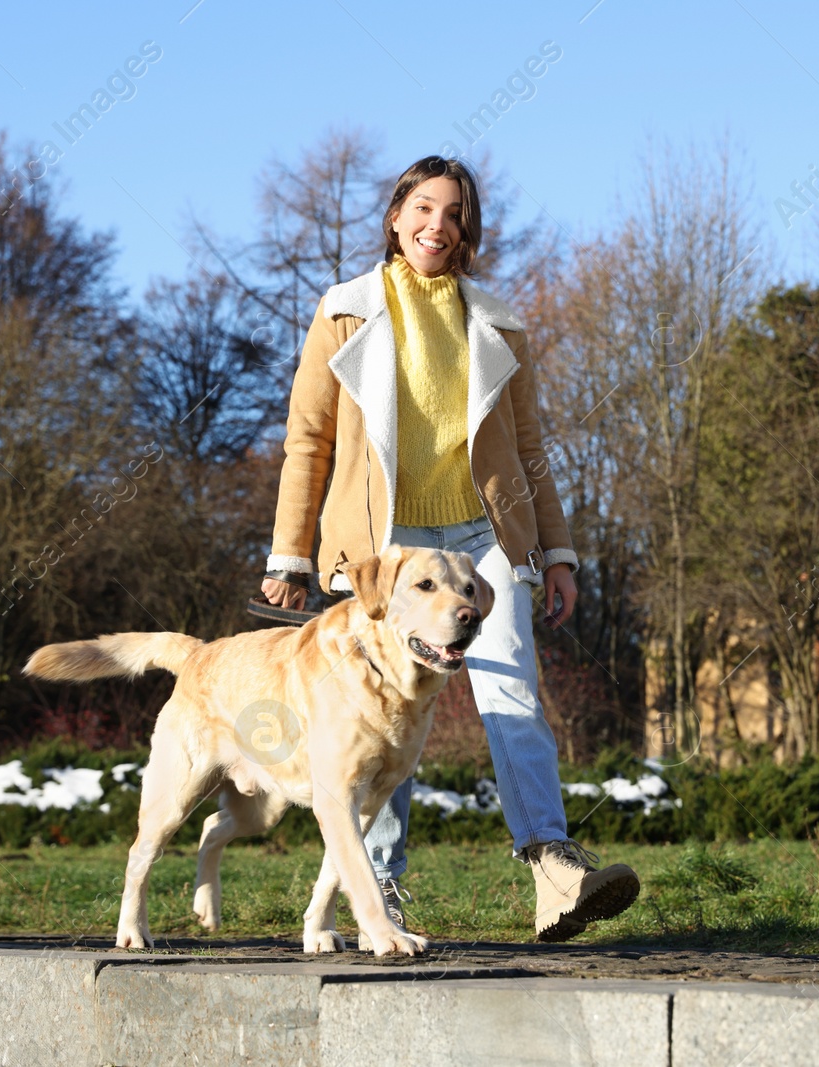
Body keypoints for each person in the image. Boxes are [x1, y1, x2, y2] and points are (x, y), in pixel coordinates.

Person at [260, 155, 639, 944]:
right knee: (384, 706)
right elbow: (308, 439)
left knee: (514, 696)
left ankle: (555, 871)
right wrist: (290, 555)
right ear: (397, 215)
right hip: (387, 549)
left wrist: (558, 551)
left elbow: (529, 446)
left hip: (481, 539)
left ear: (469, 229)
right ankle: (381, 890)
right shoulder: (345, 311)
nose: (440, 224)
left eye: (456, 213)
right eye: (425, 207)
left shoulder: (498, 321)